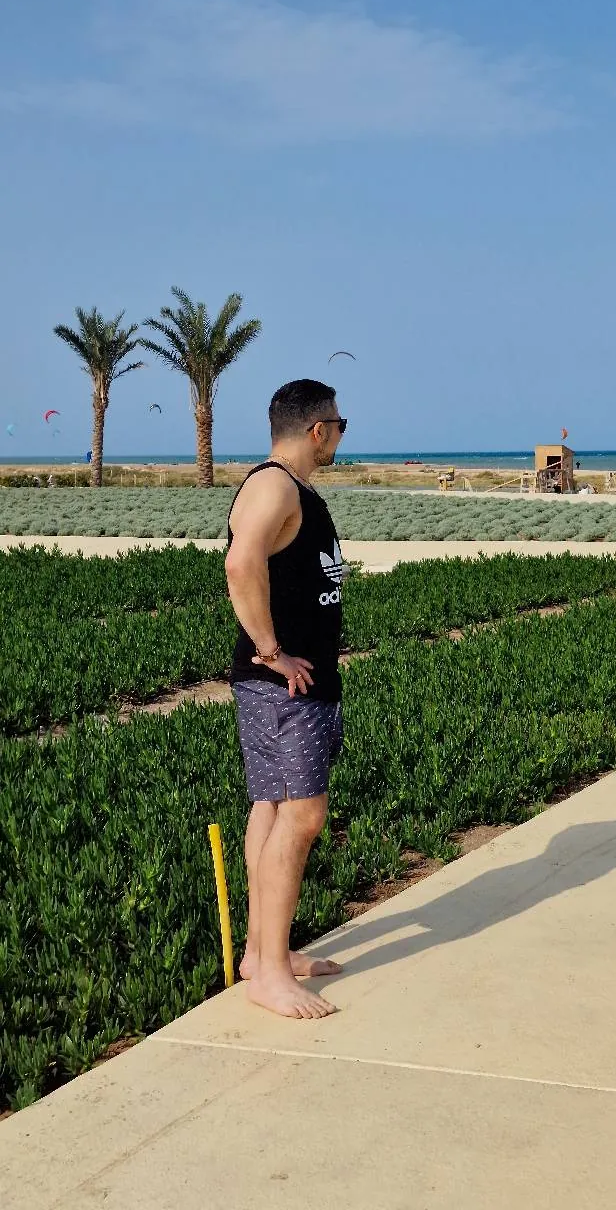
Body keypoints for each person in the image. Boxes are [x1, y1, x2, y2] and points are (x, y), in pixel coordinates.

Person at [225, 378, 348, 1019]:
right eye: (339, 423)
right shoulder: (272, 485)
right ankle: (270, 973)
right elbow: (240, 565)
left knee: (272, 810)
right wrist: (272, 652)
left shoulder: (294, 492)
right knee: (302, 818)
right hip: (285, 688)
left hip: (296, 686)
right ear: (315, 429)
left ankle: (262, 953)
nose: (340, 433)